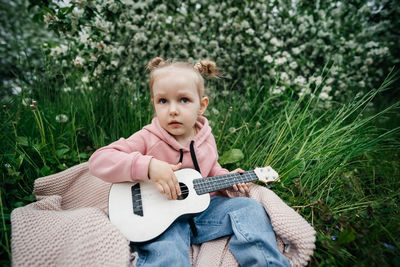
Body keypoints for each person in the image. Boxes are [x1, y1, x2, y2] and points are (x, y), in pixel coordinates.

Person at [88, 57, 290, 267]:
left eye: (183, 100)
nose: (173, 110)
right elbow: (99, 160)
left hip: (204, 213)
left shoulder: (205, 137)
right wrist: (149, 166)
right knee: (169, 253)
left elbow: (211, 169)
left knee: (249, 208)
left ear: (201, 105)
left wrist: (226, 178)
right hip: (161, 222)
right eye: (163, 101)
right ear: (154, 104)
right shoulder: (148, 137)